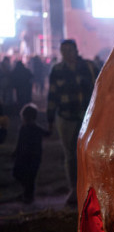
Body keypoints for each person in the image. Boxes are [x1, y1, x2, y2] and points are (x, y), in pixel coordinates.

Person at [47, 39, 98, 206]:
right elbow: (52, 96)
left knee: (89, 153)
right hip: (66, 118)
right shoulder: (57, 70)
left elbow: (101, 89)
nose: (67, 53)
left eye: (70, 50)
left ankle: (91, 188)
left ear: (76, 50)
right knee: (70, 154)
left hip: (88, 118)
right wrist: (50, 119)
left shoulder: (89, 68)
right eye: (64, 51)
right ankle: (74, 189)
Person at [12, 103, 49, 204]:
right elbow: (47, 133)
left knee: (29, 177)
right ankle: (27, 193)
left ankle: (28, 195)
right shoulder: (30, 128)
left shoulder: (29, 128)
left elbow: (20, 142)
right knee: (25, 176)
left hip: (31, 157)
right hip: (30, 157)